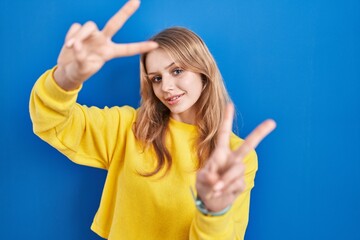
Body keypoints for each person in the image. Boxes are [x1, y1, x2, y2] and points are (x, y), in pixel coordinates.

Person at [29, 0, 276, 239]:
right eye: (156, 78)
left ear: (204, 73)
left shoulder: (236, 156)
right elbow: (52, 122)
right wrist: (68, 78)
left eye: (177, 71)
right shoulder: (127, 128)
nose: (166, 87)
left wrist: (213, 212)